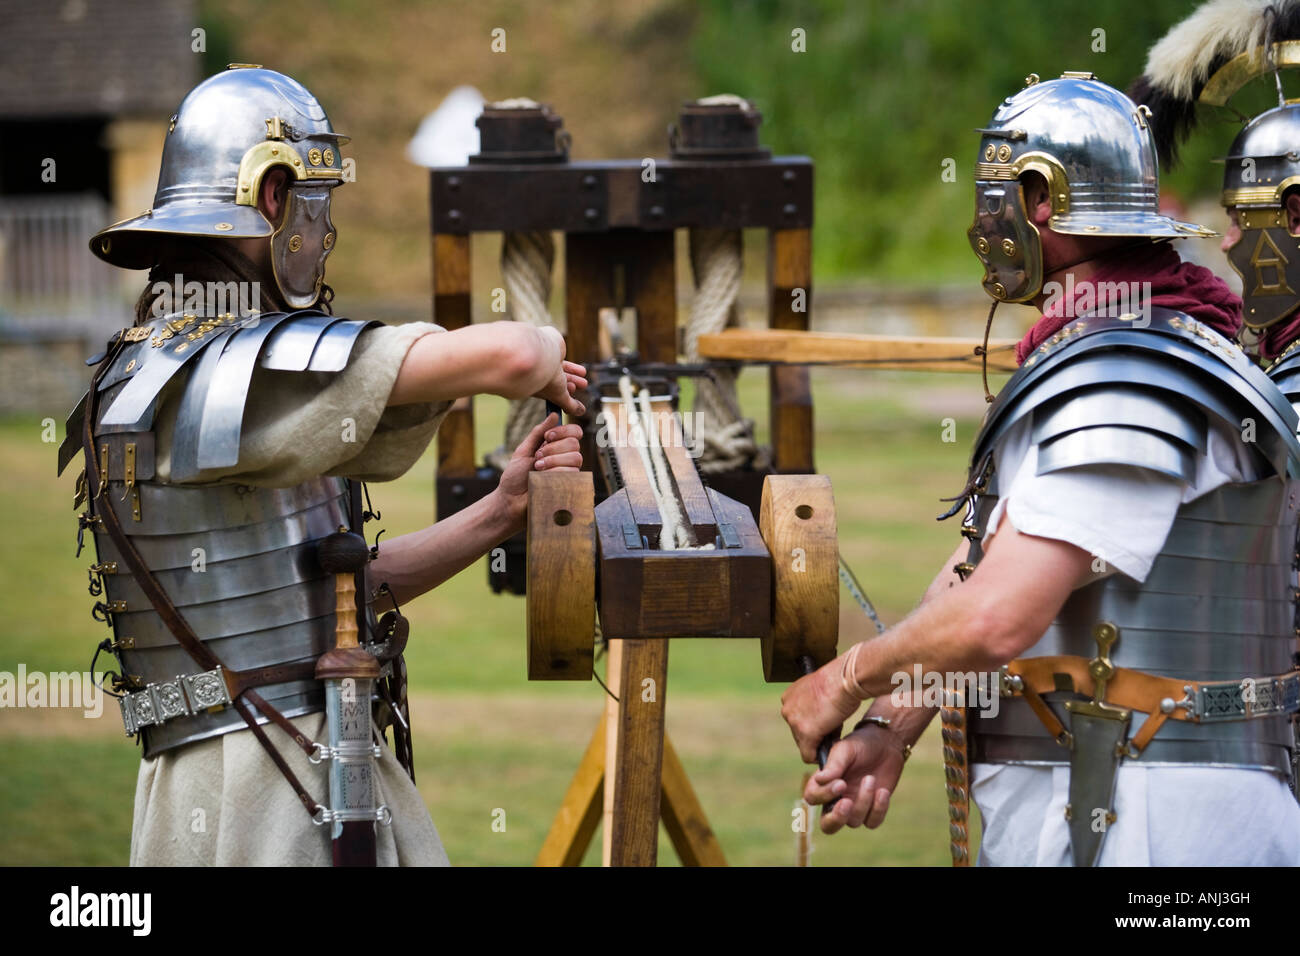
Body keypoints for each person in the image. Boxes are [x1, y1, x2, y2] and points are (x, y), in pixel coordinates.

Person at [60, 65, 585, 865]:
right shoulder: (228, 371)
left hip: (248, 771)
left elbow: (329, 597)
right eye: (316, 198)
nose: (321, 222)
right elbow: (512, 352)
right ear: (274, 199)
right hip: (270, 788)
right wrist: (548, 352)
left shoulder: (154, 370)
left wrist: (501, 512)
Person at [781, 73, 1300, 866]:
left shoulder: (1129, 379)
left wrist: (846, 680)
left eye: (994, 195)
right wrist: (893, 725)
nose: (982, 223)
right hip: (1107, 796)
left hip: (1156, 818)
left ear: (1040, 200)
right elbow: (982, 569)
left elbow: (998, 618)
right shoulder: (1114, 351)